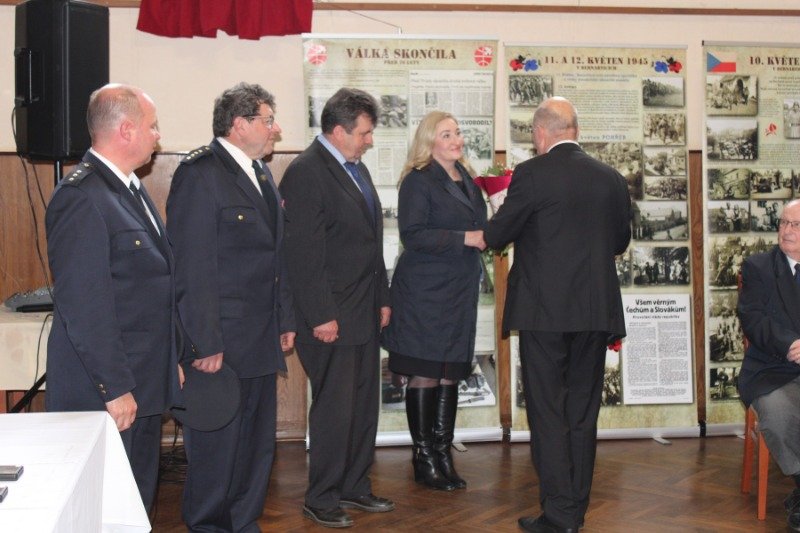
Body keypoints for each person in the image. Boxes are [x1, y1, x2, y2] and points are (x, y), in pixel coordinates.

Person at [484, 97, 631, 533]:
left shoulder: (531, 174)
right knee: (582, 413)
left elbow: (498, 234)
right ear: (576, 131)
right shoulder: (611, 177)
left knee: (548, 412)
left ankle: (559, 513)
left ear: (540, 133)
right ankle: (574, 511)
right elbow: (619, 242)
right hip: (594, 312)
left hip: (544, 313)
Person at [166, 82, 296, 532]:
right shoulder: (201, 174)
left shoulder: (260, 173)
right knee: (217, 450)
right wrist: (203, 341)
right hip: (220, 342)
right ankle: (208, 526)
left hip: (260, 337)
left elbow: (276, 258)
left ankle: (243, 522)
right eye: (268, 120)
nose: (276, 129)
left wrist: (284, 318)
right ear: (239, 124)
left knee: (256, 447)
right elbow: (192, 267)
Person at [45, 83, 180, 511]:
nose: (158, 135)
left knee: (135, 504)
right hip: (108, 390)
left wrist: (169, 359)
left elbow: (150, 288)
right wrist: (115, 387)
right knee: (105, 509)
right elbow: (85, 306)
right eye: (152, 126)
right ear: (126, 130)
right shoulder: (82, 196)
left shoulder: (128, 190)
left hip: (142, 380)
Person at [280, 88, 393, 529]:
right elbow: (302, 254)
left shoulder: (355, 168)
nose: (369, 141)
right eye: (364, 133)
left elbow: (371, 242)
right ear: (339, 130)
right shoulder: (306, 172)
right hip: (330, 317)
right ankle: (322, 497)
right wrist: (320, 314)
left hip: (363, 311)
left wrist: (383, 298)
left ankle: (354, 486)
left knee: (363, 406)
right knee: (334, 410)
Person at [381, 111, 487, 492]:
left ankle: (443, 454)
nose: (456, 140)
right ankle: (423, 458)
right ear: (429, 141)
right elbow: (413, 234)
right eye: (446, 134)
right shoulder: (418, 180)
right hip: (424, 293)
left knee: (450, 372)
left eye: (457, 132)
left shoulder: (468, 179)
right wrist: (465, 238)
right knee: (426, 371)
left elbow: (479, 227)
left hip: (458, 292)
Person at [738, 199, 800, 532]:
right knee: (777, 419)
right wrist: (790, 344)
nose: (787, 231)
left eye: (796, 225)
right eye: (783, 223)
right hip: (772, 371)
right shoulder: (758, 267)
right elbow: (753, 320)